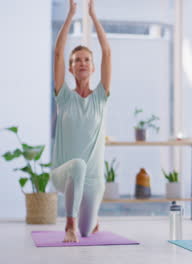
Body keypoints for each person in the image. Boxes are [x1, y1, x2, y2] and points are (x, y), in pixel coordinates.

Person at [51, 0, 111, 243]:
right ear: (71, 68)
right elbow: (57, 52)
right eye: (77, 60)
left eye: (86, 59)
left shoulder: (100, 97)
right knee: (77, 165)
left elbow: (107, 53)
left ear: (93, 67)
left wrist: (94, 16)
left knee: (87, 233)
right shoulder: (63, 96)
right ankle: (69, 224)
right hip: (63, 173)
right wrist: (71, 14)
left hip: (93, 180)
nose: (82, 63)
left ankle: (88, 222)